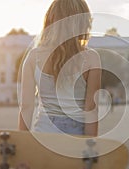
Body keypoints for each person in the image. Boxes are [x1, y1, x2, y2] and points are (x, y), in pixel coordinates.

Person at [18, 0, 101, 137]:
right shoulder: (92, 58)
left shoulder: (33, 57)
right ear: (83, 22)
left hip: (43, 135)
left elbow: (26, 107)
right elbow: (91, 109)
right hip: (76, 136)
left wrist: (22, 146)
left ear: (50, 21)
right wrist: (89, 147)